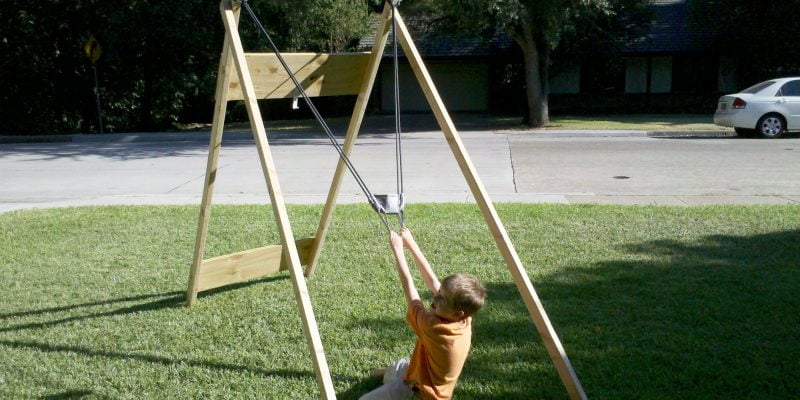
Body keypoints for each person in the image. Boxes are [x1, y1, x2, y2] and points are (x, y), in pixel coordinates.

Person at [360, 228, 486, 400]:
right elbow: (433, 281)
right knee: (398, 366)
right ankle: (391, 377)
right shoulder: (465, 320)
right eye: (439, 293)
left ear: (458, 313)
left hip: (421, 392)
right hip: (418, 373)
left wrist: (398, 250)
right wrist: (411, 244)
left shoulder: (435, 328)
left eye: (442, 299)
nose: (435, 298)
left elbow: (410, 291)